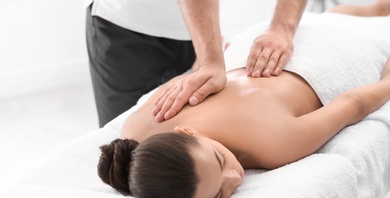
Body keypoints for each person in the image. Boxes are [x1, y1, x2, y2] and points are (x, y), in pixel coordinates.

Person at [97, 0, 390, 198]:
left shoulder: (275, 143)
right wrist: (207, 61)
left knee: (362, 27)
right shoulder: (136, 129)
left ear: (188, 132)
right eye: (216, 196)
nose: (234, 177)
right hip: (252, 43)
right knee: (342, 16)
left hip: (328, 54)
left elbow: (352, 104)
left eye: (220, 160)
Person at [85, 0, 308, 127]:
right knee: (126, 134)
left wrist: (283, 28)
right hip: (128, 22)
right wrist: (210, 59)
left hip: (198, 23)